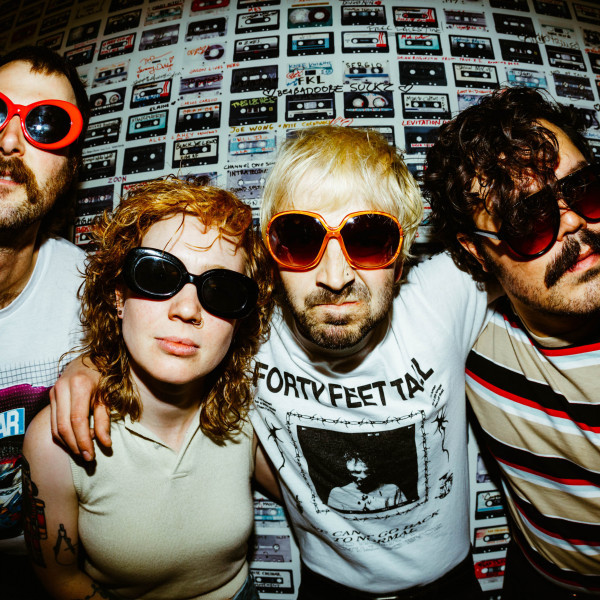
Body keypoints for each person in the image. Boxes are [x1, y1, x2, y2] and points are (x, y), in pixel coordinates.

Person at [52, 126, 490, 599]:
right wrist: (92, 365)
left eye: (369, 239)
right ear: (272, 255)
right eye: (301, 239)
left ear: (401, 258)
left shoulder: (444, 297)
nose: (335, 277)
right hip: (327, 588)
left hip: (450, 583)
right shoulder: (246, 329)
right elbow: (165, 334)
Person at [23, 177, 277, 599]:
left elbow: (315, 502)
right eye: (159, 274)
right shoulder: (56, 442)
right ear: (118, 296)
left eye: (221, 290)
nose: (187, 309)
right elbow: (61, 579)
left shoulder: (250, 416)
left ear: (238, 321)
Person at [424, 87, 600, 598]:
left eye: (584, 189)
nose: (573, 222)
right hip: (537, 578)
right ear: (478, 253)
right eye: (527, 220)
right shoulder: (466, 338)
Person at [0, 45, 90, 598]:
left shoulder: (93, 297)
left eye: (46, 124)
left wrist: (100, 361)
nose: (10, 140)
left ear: (71, 169)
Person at [327, 449, 407, 512]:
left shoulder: (393, 490)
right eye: (356, 472)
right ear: (349, 472)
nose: (363, 476)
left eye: (367, 472)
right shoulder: (338, 493)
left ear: (374, 471)